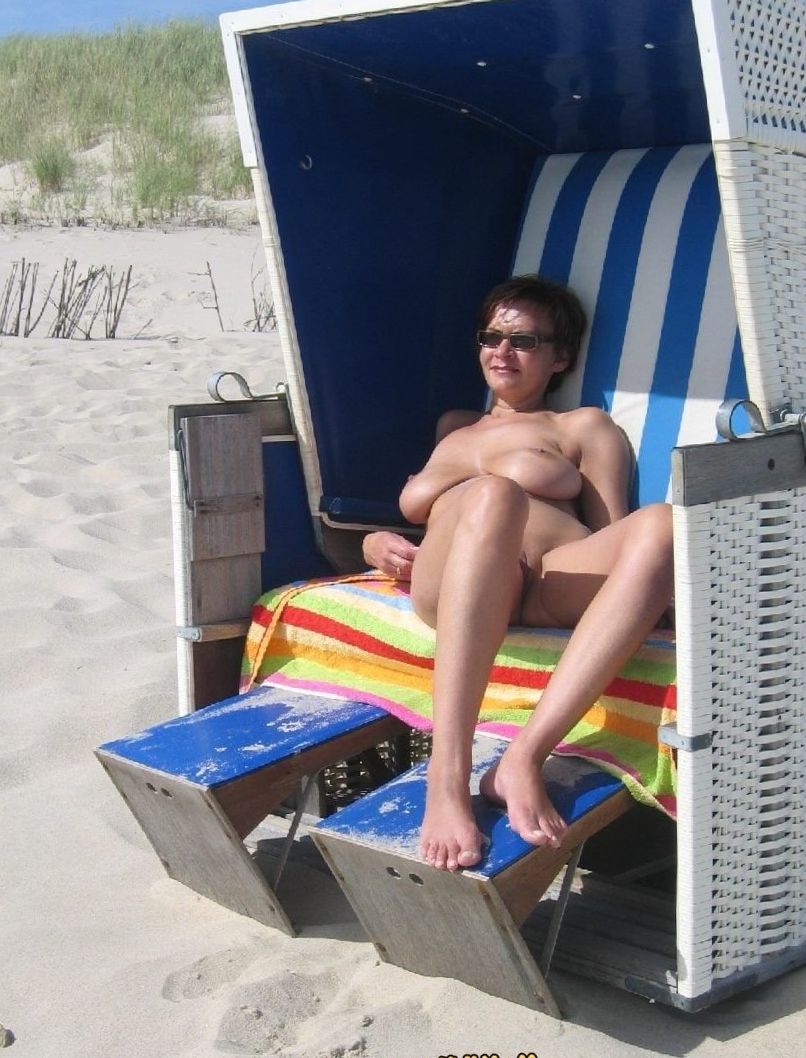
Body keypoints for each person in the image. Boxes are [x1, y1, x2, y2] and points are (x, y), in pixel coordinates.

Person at [362, 275, 674, 872]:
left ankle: (523, 757)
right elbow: (420, 525)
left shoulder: (583, 426)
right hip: (462, 584)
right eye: (491, 337)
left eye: (524, 340)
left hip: (554, 580)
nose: (502, 351)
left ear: (561, 358)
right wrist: (374, 544)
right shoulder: (454, 427)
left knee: (663, 524)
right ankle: (446, 779)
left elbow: (616, 533)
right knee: (494, 495)